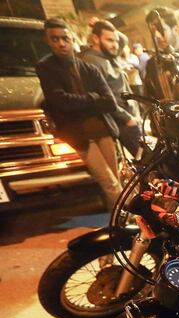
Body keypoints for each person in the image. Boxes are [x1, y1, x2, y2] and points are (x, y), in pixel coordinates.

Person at [36, 18, 122, 211]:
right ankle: (130, 219)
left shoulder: (89, 68)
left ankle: (118, 227)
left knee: (114, 182)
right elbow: (60, 102)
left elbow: (109, 101)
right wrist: (93, 98)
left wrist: (80, 101)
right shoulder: (46, 68)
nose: (61, 43)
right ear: (48, 41)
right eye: (55, 39)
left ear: (72, 38)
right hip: (79, 134)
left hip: (102, 130)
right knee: (110, 183)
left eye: (64, 38)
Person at [80, 20, 142, 157]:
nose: (115, 45)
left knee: (146, 158)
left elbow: (123, 39)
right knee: (147, 161)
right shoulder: (92, 61)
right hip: (122, 121)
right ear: (95, 39)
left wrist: (102, 24)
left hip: (131, 118)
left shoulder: (109, 55)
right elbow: (102, 97)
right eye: (109, 40)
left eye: (116, 41)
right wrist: (127, 118)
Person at [118, 32, 144, 97]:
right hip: (128, 84)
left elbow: (138, 68)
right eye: (123, 49)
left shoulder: (133, 57)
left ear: (128, 49)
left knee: (141, 99)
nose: (124, 50)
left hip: (136, 82)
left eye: (125, 48)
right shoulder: (119, 59)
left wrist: (131, 67)